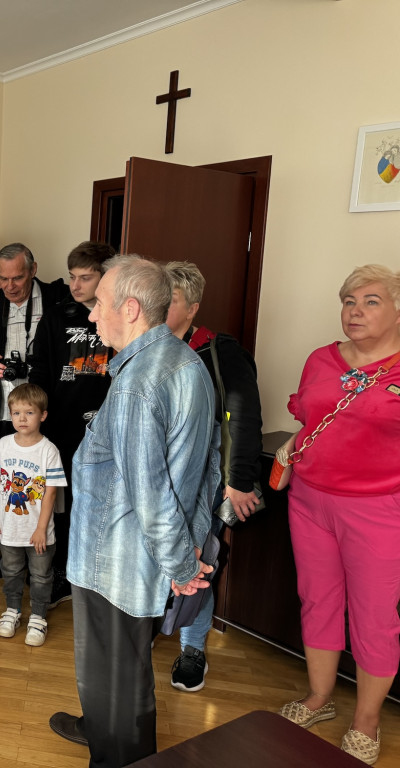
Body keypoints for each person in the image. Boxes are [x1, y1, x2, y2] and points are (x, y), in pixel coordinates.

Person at [49, 255, 220, 768]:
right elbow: (207, 467)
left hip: (116, 560)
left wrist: (182, 565)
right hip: (136, 555)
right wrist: (189, 546)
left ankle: (117, 754)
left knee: (116, 677)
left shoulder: (136, 384)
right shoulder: (184, 361)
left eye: (99, 303)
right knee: (119, 670)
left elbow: (151, 494)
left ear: (130, 308)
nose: (91, 314)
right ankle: (99, 729)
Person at [277, 265, 400, 766]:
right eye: (349, 301)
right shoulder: (320, 359)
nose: (355, 311)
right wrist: (294, 444)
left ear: (397, 310)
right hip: (309, 500)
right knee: (318, 600)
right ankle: (320, 697)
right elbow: (312, 416)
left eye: (371, 301)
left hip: (378, 509)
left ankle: (366, 721)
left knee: (374, 616)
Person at [163, 261, 263, 693]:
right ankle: (151, 625)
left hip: (204, 482)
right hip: (158, 477)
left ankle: (192, 648)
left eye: (171, 300)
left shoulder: (220, 352)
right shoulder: (144, 348)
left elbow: (244, 416)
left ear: (193, 308)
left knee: (197, 560)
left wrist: (238, 481)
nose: (160, 306)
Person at [0, 242, 68, 578]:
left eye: (17, 278)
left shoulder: (58, 298)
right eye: (2, 279)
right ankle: (8, 554)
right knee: (4, 483)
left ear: (33, 270)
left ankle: (45, 561)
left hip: (45, 409)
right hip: (1, 409)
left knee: (43, 485)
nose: (9, 286)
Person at [29, 240, 114, 607]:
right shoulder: (56, 316)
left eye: (85, 277)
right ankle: (61, 572)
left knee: (98, 504)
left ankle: (96, 575)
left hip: (106, 429)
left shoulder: (120, 316)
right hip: (61, 427)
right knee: (61, 505)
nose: (75, 285)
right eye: (71, 277)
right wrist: (36, 419)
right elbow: (40, 369)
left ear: (105, 278)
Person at [0, 383, 65, 646]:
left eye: (29, 413)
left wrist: (41, 528)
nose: (22, 419)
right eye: (16, 413)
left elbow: (51, 493)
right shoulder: (3, 445)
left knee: (41, 575)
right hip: (9, 528)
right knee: (11, 570)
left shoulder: (48, 450)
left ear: (43, 415)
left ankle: (38, 616)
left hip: (38, 531)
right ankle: (12, 610)